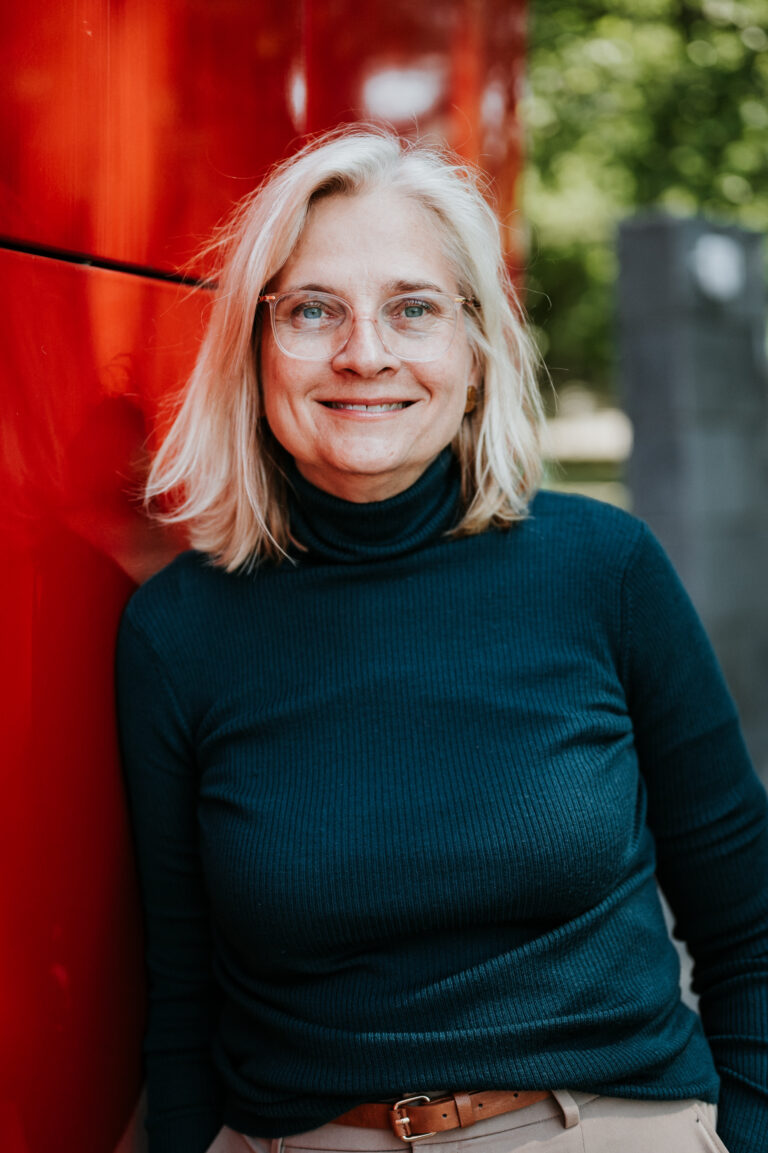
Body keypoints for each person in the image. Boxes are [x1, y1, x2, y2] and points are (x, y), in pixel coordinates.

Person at [115, 125, 768, 1153]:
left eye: (413, 308)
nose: (363, 352)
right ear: (254, 345)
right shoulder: (180, 630)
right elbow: (181, 1000)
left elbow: (750, 925)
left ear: (475, 346)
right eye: (313, 309)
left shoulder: (605, 570)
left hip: (605, 1125)